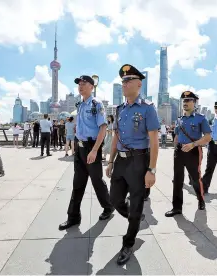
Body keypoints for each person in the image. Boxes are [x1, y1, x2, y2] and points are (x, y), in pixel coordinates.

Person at [106, 64, 160, 265]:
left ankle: (128, 243)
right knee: (114, 199)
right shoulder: (119, 110)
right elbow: (115, 137)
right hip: (120, 160)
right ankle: (134, 218)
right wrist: (110, 160)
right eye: (123, 81)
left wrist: (151, 170)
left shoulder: (147, 108)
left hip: (139, 161)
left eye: (128, 80)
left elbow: (154, 141)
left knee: (137, 203)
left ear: (139, 84)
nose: (124, 84)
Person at [59, 75, 114, 231]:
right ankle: (73, 217)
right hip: (80, 147)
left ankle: (108, 207)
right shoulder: (80, 105)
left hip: (92, 147)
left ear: (92, 86)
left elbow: (103, 128)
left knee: (97, 181)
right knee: (78, 183)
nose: (80, 86)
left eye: (84, 83)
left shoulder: (96, 105)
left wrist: (95, 150)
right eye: (79, 84)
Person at [166, 91, 211, 217]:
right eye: (184, 101)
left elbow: (208, 137)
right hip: (179, 152)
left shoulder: (201, 118)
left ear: (194, 102)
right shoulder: (179, 119)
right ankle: (176, 208)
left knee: (195, 179)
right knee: (178, 180)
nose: (185, 103)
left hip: (193, 151)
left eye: (188, 100)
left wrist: (193, 144)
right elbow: (176, 136)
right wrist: (176, 149)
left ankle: (201, 200)